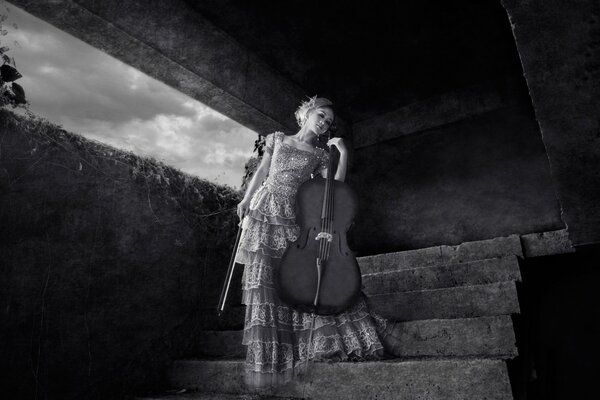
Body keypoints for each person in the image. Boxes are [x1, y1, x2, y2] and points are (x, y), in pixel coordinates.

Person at [234, 96, 390, 388]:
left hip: (294, 216)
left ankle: (306, 344)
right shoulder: (277, 139)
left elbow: (333, 190)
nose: (323, 124)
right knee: (265, 281)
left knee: (296, 280)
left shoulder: (319, 154)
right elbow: (263, 172)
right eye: (320, 116)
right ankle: (275, 356)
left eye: (328, 122)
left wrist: (342, 154)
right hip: (264, 210)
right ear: (306, 113)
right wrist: (245, 199)